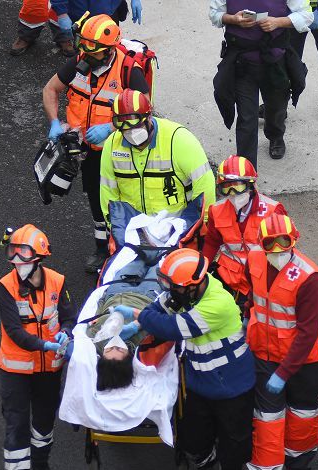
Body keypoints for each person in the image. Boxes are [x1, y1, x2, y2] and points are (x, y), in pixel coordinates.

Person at [117, 249, 256, 470]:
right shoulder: (186, 292)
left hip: (232, 388)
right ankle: (206, 459)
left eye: (174, 288)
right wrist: (144, 317)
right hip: (201, 385)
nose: (170, 293)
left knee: (234, 450)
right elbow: (159, 307)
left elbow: (170, 326)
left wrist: (137, 316)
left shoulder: (217, 304)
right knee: (192, 438)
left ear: (194, 285)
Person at [42, 14, 150, 271]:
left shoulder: (128, 70)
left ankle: (129, 244)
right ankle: (102, 248)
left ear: (110, 50)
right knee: (95, 197)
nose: (87, 58)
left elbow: (144, 107)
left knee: (123, 197)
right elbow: (50, 89)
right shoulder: (80, 62)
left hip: (119, 149)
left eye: (95, 53)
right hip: (88, 150)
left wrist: (111, 128)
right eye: (85, 50)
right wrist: (55, 123)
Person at [244, 213, 318, 470]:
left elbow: (307, 333)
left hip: (303, 363)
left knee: (302, 420)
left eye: (285, 243)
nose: (278, 250)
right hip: (264, 356)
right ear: (261, 244)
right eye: (271, 244)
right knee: (266, 424)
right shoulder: (253, 261)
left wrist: (284, 372)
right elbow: (250, 298)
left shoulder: (309, 278)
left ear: (295, 240)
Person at [0, 226, 74, 470]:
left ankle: (40, 462)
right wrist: (45, 345)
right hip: (16, 370)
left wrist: (67, 333)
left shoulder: (58, 281)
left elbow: (69, 316)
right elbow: (15, 332)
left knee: (43, 421)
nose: (18, 262)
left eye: (24, 256)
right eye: (13, 256)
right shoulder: (5, 286)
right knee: (16, 428)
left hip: (49, 370)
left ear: (39, 257)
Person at [210, 0, 312, 164]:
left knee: (276, 107)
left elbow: (307, 16)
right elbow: (215, 14)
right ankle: (246, 176)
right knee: (246, 118)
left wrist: (277, 22)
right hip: (241, 63)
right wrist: (232, 19)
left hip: (275, 61)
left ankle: (275, 135)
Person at [99, 90, 216, 224]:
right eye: (124, 127)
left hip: (178, 230)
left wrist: (200, 226)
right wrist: (114, 228)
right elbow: (108, 193)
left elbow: (205, 185)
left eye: (136, 125)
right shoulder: (112, 145)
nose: (131, 132)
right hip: (135, 232)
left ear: (149, 117)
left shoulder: (179, 140)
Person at [191, 155, 288, 300]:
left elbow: (283, 252)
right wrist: (200, 270)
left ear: (251, 185)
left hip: (259, 279)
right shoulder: (216, 211)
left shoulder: (273, 211)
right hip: (227, 276)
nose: (232, 194)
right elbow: (212, 242)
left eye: (237, 187)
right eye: (226, 188)